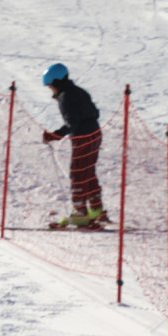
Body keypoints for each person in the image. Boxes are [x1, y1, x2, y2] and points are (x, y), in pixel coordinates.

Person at [40, 62, 107, 228]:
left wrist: (54, 135)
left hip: (83, 137)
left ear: (56, 82)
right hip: (95, 134)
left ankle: (80, 213)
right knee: (88, 171)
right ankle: (96, 209)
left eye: (50, 86)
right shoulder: (80, 91)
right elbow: (95, 112)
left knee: (77, 173)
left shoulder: (65, 97)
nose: (50, 90)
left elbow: (72, 123)